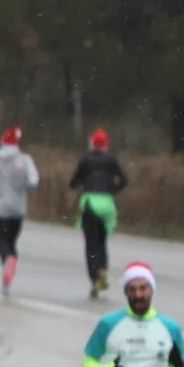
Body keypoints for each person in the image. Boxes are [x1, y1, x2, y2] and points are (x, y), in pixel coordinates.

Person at [0, 126, 41, 295]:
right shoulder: (26, 160)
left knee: (1, 242)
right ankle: (9, 268)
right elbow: (34, 181)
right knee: (12, 242)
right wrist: (23, 190)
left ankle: (7, 262)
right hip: (18, 209)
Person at [68, 127, 130, 297]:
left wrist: (80, 184)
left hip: (90, 204)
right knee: (102, 242)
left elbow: (73, 182)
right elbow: (124, 180)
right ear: (106, 144)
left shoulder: (86, 160)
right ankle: (103, 269)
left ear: (92, 143)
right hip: (107, 204)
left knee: (91, 244)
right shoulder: (112, 161)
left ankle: (95, 279)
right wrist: (111, 190)